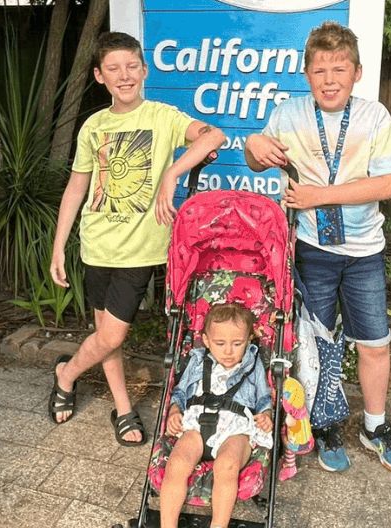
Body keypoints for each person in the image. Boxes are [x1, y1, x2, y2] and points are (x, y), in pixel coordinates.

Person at [242, 21, 391, 474]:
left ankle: (374, 426)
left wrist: (319, 195)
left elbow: (389, 184)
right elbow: (255, 160)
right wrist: (253, 144)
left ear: (357, 72)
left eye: (340, 69)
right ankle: (323, 425)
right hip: (309, 250)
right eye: (320, 70)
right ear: (306, 73)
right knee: (315, 345)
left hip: (364, 253)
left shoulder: (374, 116)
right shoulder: (288, 112)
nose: (330, 79)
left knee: (375, 342)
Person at [49, 31, 226, 447]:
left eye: (132, 66)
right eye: (113, 68)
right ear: (99, 76)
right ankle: (124, 408)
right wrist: (60, 245)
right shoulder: (94, 126)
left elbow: (213, 135)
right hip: (96, 243)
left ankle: (67, 373)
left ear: (144, 70)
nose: (124, 75)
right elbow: (76, 188)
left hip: (139, 249)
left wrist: (171, 173)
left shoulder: (164, 117)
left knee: (112, 335)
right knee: (104, 332)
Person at [159, 303, 273, 528]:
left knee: (227, 464)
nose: (228, 351)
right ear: (207, 340)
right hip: (197, 422)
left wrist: (266, 414)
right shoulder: (198, 360)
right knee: (178, 462)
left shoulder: (253, 362)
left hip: (236, 428)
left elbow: (263, 397)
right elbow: (180, 391)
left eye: (237, 343)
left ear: (249, 339)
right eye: (220, 343)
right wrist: (174, 410)